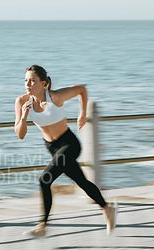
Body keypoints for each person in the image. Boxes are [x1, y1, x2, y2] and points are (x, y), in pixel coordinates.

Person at [14, 65, 118, 237]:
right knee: (82, 182)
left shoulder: (55, 96)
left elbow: (82, 89)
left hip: (69, 144)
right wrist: (24, 117)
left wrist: (82, 114)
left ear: (43, 83)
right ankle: (107, 209)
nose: (28, 84)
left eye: (32, 80)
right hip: (52, 148)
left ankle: (42, 226)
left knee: (44, 180)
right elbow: (20, 135)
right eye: (26, 80)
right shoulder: (21, 102)